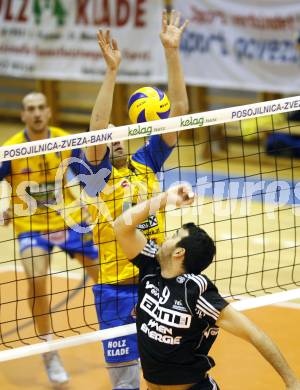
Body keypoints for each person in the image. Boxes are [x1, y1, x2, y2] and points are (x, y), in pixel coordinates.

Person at [82, 9, 189, 390]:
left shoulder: (148, 159)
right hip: (114, 288)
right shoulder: (97, 177)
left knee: (164, 375)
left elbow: (178, 113)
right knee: (125, 383)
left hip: (156, 282)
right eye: (108, 138)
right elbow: (96, 128)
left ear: (130, 136)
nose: (113, 139)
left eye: (118, 134)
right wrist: (111, 72)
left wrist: (171, 53)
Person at [113, 184, 300, 390]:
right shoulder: (151, 265)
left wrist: (291, 381)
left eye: (174, 236)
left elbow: (255, 334)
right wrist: (165, 198)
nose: (167, 238)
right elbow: (121, 226)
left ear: (178, 253)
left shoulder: (197, 291)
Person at [0, 92, 99, 385]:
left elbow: (87, 175)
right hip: (31, 227)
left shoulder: (63, 140)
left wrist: (88, 201)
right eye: (30, 109)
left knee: (107, 277)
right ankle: (49, 348)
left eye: (41, 108)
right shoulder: (11, 150)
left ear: (49, 112)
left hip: (69, 222)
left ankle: (128, 333)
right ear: (23, 116)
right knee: (36, 280)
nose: (37, 113)